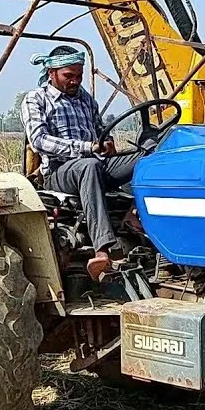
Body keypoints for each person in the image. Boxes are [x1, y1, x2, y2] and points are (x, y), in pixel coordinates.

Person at [21, 46, 140, 278]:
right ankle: (103, 250)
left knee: (146, 157)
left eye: (79, 75)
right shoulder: (36, 99)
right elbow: (39, 141)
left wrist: (107, 143)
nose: (75, 81)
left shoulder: (85, 99)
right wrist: (87, 147)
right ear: (51, 72)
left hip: (95, 165)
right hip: (59, 172)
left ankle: (136, 217)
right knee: (89, 166)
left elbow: (99, 131)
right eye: (69, 76)